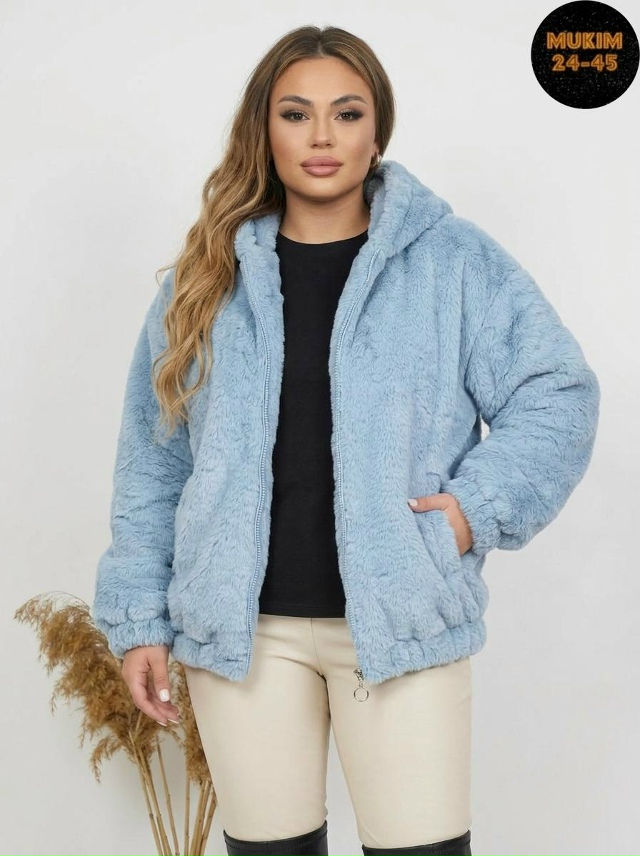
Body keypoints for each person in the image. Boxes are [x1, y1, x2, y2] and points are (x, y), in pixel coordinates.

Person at [91, 24, 600, 856]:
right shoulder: (207, 278)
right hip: (242, 638)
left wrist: (470, 514)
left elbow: (558, 392)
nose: (322, 136)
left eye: (347, 113)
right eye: (296, 114)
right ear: (265, 131)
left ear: (377, 131)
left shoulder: (453, 263)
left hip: (402, 625)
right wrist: (139, 618)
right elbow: (154, 462)